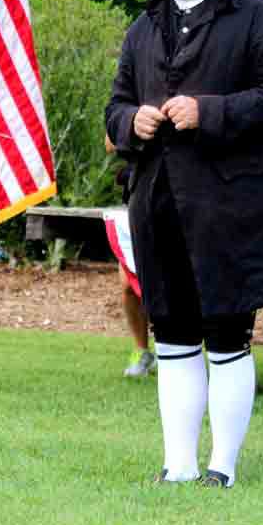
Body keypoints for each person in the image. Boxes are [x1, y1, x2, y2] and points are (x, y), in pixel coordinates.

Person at [105, 0, 263, 489]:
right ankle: (179, 466)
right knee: (174, 336)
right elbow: (114, 107)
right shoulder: (142, 28)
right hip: (159, 203)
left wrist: (209, 112)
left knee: (226, 336)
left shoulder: (259, 18)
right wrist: (130, 123)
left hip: (232, 205)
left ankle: (223, 467)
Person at [106, 134, 156, 378]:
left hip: (187, 192)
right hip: (140, 191)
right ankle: (142, 351)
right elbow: (109, 142)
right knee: (128, 284)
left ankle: (186, 352)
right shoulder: (136, 96)